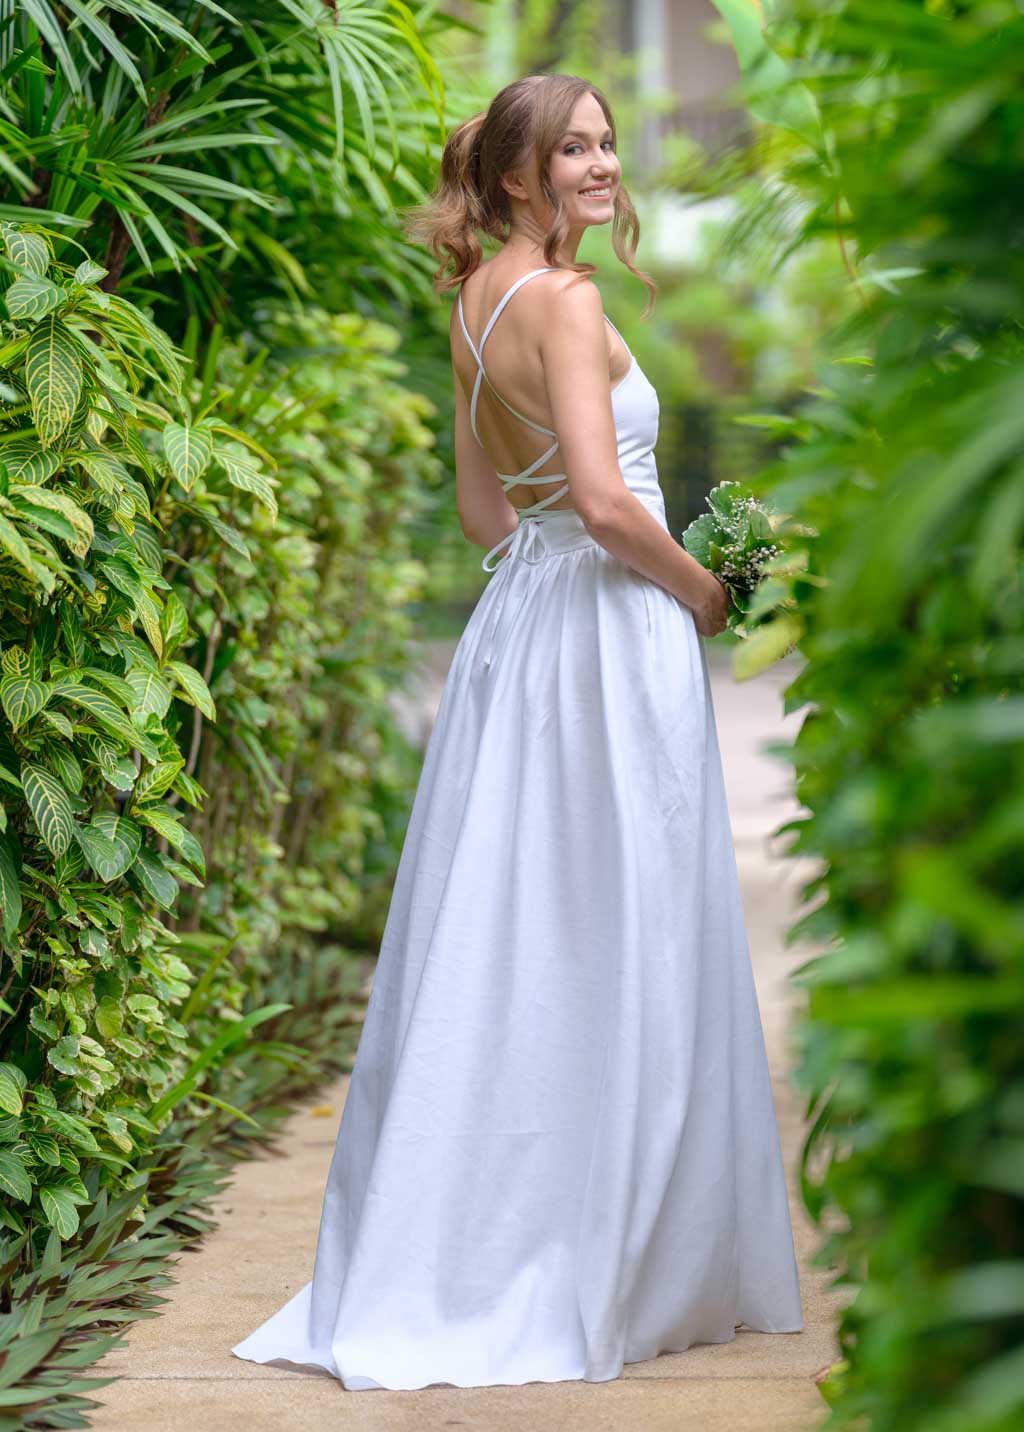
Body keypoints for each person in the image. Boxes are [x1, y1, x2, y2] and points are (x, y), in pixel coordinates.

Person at [231, 72, 804, 1392]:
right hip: (608, 627)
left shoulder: (474, 303)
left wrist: (574, 559)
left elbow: (488, 516)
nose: (603, 166)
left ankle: (471, 1233)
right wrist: (705, 590)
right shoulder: (568, 299)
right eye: (573, 150)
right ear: (513, 178)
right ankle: (602, 1251)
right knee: (621, 919)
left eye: (607, 144)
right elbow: (604, 504)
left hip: (521, 631)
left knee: (515, 926)